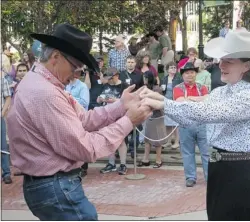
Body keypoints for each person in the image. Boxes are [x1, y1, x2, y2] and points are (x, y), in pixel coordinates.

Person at [6, 23, 152, 221]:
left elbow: (84, 119)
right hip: (55, 186)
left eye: (81, 71)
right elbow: (86, 147)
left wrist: (121, 106)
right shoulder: (46, 94)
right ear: (56, 57)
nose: (77, 75)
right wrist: (128, 121)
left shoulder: (42, 84)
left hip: (50, 186)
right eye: (76, 68)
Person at [139, 30, 250, 220]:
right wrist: (161, 99)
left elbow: (209, 113)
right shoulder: (221, 92)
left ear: (246, 65)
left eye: (229, 61)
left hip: (243, 172)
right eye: (221, 59)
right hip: (219, 170)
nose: (221, 64)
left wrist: (163, 103)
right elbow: (193, 115)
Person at [173, 62, 209, 187]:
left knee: (206, 152)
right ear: (183, 75)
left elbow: (207, 100)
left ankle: (210, 177)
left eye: (192, 72)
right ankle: (190, 177)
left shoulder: (202, 86)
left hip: (202, 124)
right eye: (187, 73)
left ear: (196, 74)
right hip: (186, 125)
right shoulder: (178, 88)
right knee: (187, 152)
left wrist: (190, 99)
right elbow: (180, 102)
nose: (190, 75)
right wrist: (198, 100)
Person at [97, 68, 129, 175]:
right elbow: (98, 98)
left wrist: (113, 100)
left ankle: (123, 164)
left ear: (116, 76)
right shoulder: (106, 85)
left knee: (121, 140)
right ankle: (111, 163)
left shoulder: (124, 86)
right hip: (107, 115)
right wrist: (101, 99)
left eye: (111, 78)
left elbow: (126, 101)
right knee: (108, 139)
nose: (109, 81)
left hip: (119, 116)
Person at [138, 71, 167, 168]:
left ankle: (158, 159)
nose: (144, 80)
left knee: (157, 140)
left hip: (157, 116)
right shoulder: (145, 88)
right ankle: (145, 159)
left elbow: (160, 104)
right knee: (147, 139)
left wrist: (148, 106)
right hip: (148, 116)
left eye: (145, 78)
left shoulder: (157, 89)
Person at [160, 61, 182, 149]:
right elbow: (162, 91)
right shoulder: (164, 79)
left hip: (175, 102)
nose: (173, 69)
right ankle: (168, 141)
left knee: (175, 124)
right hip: (166, 102)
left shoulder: (179, 79)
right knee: (167, 124)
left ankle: (177, 142)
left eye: (174, 67)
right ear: (167, 69)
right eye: (171, 67)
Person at [1, 53, 12, 184]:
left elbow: (8, 98)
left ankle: (6, 173)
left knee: (2, 146)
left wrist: (1, 114)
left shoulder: (2, 80)